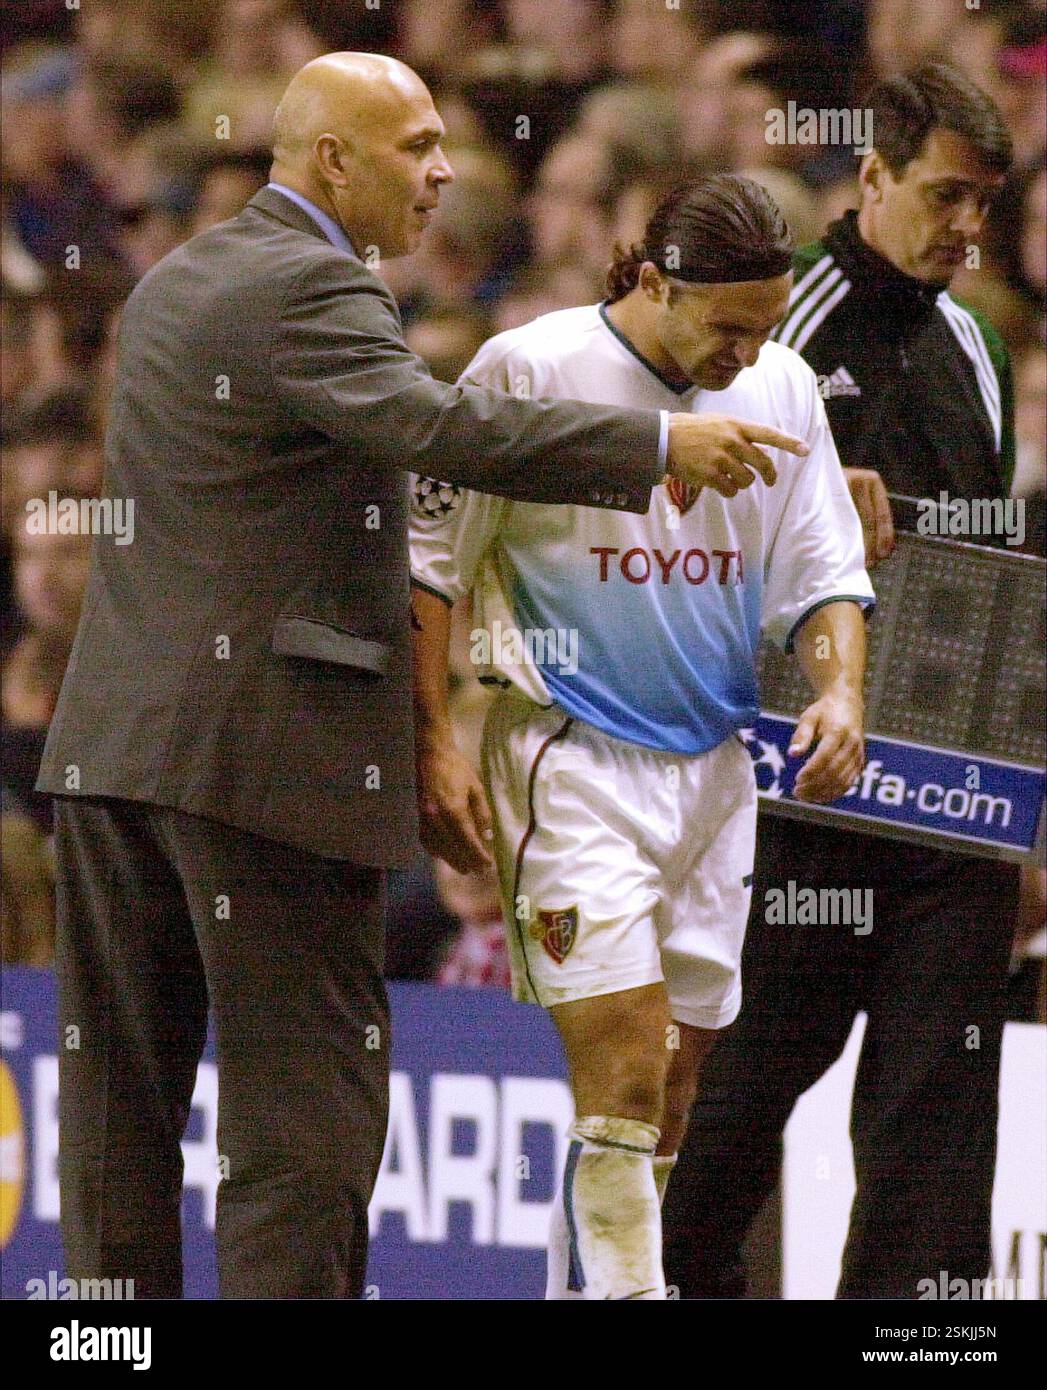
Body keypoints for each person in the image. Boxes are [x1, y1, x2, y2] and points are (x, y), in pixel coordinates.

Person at [34, 51, 801, 1300]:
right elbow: (445, 429)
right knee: (305, 1123)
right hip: (262, 770)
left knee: (120, 1107)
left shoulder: (178, 278)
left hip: (116, 750)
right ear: (331, 158)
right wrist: (661, 441)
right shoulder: (314, 285)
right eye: (417, 145)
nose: (445, 169)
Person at [409, 176, 874, 1300]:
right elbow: (429, 567)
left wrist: (842, 691)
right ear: (656, 282)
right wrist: (433, 740)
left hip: (718, 769)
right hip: (569, 754)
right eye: (729, 325)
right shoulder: (529, 370)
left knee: (670, 1087)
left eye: (765, 324)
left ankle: (599, 1285)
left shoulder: (784, 380)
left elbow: (825, 575)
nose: (748, 349)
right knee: (622, 1058)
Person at [663, 62, 1022, 1300]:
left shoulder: (980, 351)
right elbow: (675, 530)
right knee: (732, 1094)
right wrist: (799, 493)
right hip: (798, 804)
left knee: (935, 1126)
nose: (970, 229)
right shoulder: (780, 328)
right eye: (945, 197)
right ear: (871, 175)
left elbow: (995, 583)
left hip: (949, 811)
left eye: (987, 202)